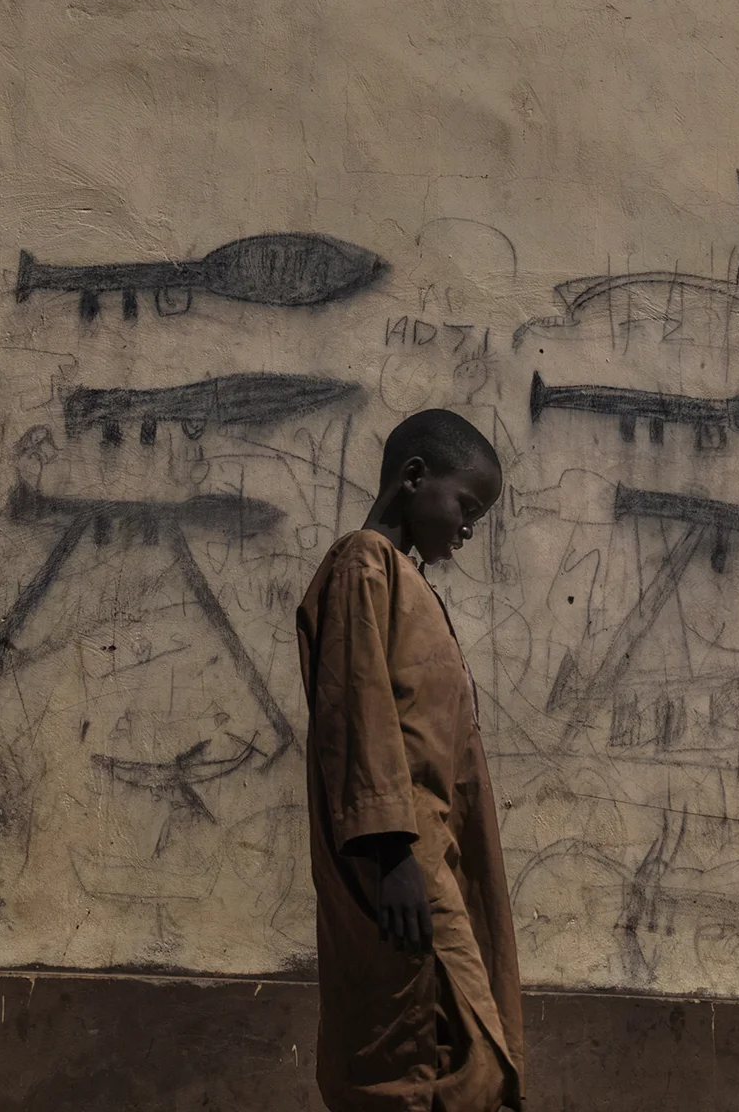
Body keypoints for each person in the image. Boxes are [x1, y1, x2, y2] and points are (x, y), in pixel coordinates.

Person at [294, 409, 523, 1112]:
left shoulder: (405, 578)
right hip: (400, 859)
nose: (468, 528)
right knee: (430, 1055)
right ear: (414, 478)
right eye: (466, 505)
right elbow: (357, 710)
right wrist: (392, 853)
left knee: (462, 1044)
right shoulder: (365, 563)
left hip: (435, 854)